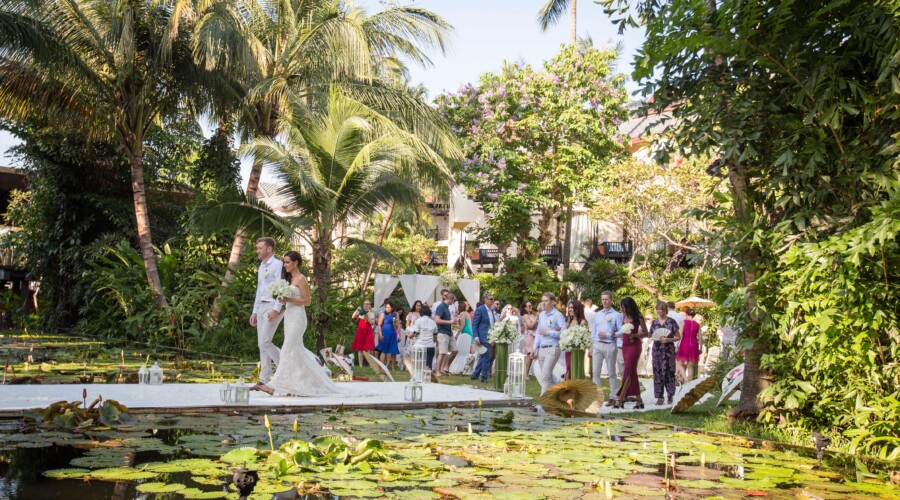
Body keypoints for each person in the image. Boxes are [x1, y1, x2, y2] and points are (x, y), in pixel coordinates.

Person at [253, 252, 342, 396]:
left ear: (296, 263)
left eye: (288, 262)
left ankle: (274, 385)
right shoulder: (288, 279)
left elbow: (307, 301)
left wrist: (287, 300)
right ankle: (300, 381)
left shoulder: (301, 279)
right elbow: (285, 300)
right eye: (284, 262)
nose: (285, 265)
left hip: (298, 318)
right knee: (296, 350)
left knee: (287, 348)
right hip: (289, 316)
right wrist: (280, 302)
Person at [249, 237, 284, 385]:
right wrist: (255, 311)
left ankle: (284, 368)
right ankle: (263, 380)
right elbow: (259, 290)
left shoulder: (278, 265)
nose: (257, 251)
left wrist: (276, 310)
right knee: (261, 344)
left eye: (260, 248)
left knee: (265, 341)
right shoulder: (261, 267)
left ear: (269, 249)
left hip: (272, 306)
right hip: (262, 306)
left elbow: (282, 288)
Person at [590, 291, 623, 405]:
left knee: (611, 372)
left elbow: (621, 332)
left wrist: (608, 335)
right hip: (597, 344)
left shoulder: (617, 315)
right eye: (603, 299)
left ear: (611, 300)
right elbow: (593, 331)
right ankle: (597, 396)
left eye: (607, 299)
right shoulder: (597, 314)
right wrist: (591, 346)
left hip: (610, 344)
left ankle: (613, 396)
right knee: (595, 372)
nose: (604, 301)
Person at [614, 297, 647, 409]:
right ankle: (639, 400)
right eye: (621, 307)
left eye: (624, 307)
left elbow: (646, 333)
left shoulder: (638, 317)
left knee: (627, 372)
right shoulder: (623, 316)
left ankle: (620, 399)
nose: (622, 309)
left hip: (634, 345)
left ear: (629, 307)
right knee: (632, 372)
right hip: (625, 345)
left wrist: (635, 335)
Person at [532, 292, 566, 395]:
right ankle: (559, 390)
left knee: (545, 376)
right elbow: (538, 332)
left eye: (546, 301)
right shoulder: (541, 315)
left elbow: (564, 333)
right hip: (542, 348)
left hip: (553, 348)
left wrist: (549, 332)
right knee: (547, 376)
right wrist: (535, 348)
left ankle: (543, 403)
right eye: (542, 301)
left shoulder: (558, 315)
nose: (543, 303)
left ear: (553, 302)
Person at [650, 301, 681, 405]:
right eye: (658, 309)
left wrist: (668, 340)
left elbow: (678, 337)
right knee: (657, 372)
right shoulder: (654, 322)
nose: (659, 311)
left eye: (661, 309)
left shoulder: (671, 322)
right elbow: (651, 335)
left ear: (665, 310)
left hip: (668, 351)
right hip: (656, 350)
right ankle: (659, 397)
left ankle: (670, 395)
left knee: (668, 372)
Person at [471, 292, 498, 383]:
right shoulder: (480, 310)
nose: (492, 301)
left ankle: (475, 375)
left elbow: (493, 324)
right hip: (482, 336)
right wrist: (476, 337)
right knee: (487, 357)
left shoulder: (493, 311)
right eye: (491, 299)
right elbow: (474, 325)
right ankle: (484, 378)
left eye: (493, 299)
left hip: (490, 336)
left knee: (483, 357)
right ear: (485, 300)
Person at [433, 292, 457, 376]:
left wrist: (454, 322)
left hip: (449, 333)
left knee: (455, 350)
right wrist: (450, 321)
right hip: (442, 333)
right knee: (442, 353)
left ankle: (445, 367)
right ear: (450, 299)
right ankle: (437, 371)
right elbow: (437, 320)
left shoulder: (447, 307)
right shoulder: (441, 307)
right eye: (453, 300)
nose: (453, 302)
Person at [676, 308, 702, 382]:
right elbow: (700, 338)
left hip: (685, 344)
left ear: (686, 314)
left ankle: (685, 378)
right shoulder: (697, 324)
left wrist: (677, 345)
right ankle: (690, 382)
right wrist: (700, 348)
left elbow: (680, 334)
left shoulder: (683, 322)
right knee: (690, 366)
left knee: (680, 363)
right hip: (694, 344)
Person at [407, 305, 437, 370]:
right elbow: (435, 335)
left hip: (420, 345)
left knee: (418, 365)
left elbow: (415, 332)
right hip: (430, 346)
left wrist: (409, 335)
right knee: (428, 366)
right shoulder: (433, 322)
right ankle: (428, 377)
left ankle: (417, 377)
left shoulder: (418, 321)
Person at [564, 301, 589, 380]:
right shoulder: (569, 321)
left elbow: (586, 337)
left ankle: (573, 388)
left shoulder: (582, 322)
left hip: (577, 350)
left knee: (573, 370)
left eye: (571, 307)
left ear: (577, 309)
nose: (569, 309)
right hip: (568, 350)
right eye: (569, 307)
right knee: (568, 369)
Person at [449, 301, 474, 374]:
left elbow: (462, 325)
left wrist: (457, 334)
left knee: (458, 348)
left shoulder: (462, 314)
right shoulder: (467, 313)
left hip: (465, 332)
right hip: (470, 332)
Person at [376, 301, 401, 369]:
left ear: (392, 307)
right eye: (386, 307)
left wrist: (399, 335)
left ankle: (392, 367)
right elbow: (379, 325)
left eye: (389, 307)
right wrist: (380, 334)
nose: (387, 308)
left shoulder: (395, 314)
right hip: (385, 333)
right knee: (384, 350)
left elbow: (398, 325)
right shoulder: (383, 314)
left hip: (393, 333)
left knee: (393, 349)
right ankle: (381, 366)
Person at [350, 300, 375, 368]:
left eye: (368, 304)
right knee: (360, 349)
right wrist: (357, 309)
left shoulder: (371, 312)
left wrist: (367, 315)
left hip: (368, 331)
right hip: (361, 331)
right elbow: (353, 317)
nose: (366, 305)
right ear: (363, 305)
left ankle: (371, 365)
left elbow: (372, 323)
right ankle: (360, 366)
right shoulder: (361, 311)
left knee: (369, 348)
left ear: (370, 305)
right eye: (365, 304)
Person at [520, 300, 538, 378]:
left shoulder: (532, 315)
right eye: (529, 306)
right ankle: (525, 374)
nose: (531, 307)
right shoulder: (525, 316)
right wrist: (537, 317)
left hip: (534, 335)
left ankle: (526, 373)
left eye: (531, 305)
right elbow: (530, 326)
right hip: (529, 336)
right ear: (525, 308)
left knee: (531, 355)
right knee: (530, 354)